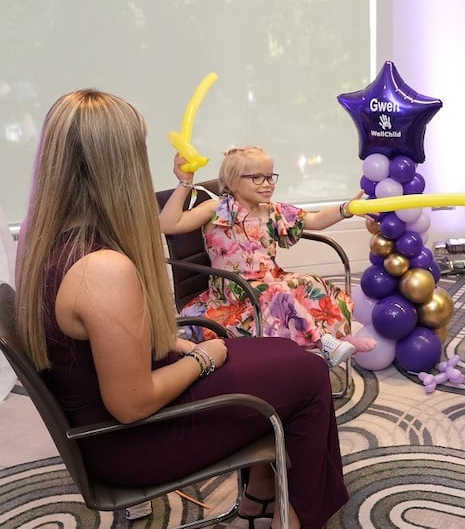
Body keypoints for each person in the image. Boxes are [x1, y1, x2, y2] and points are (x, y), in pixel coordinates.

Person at [15, 90, 348, 529]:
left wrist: (179, 345)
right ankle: (303, 516)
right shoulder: (102, 270)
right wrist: (202, 356)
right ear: (119, 166)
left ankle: (261, 497)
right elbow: (132, 405)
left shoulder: (45, 245)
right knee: (307, 375)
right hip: (133, 443)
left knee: (280, 354)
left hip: (120, 418)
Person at [159, 146, 375, 367]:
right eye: (256, 178)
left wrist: (347, 208)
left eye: (270, 177)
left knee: (312, 284)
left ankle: (339, 337)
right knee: (277, 292)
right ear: (232, 182)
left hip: (270, 279)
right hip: (234, 291)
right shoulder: (218, 209)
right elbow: (168, 224)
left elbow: (316, 220)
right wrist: (185, 183)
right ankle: (323, 341)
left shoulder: (273, 211)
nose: (267, 183)